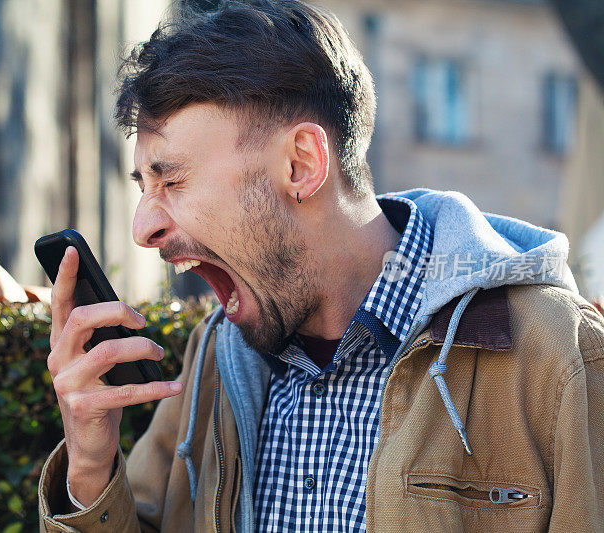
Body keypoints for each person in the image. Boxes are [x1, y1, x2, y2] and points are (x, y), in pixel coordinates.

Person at [38, 1, 604, 531]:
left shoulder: (558, 353)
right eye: (144, 186)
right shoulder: (214, 354)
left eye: (173, 181)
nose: (143, 229)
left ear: (302, 162)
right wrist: (89, 467)